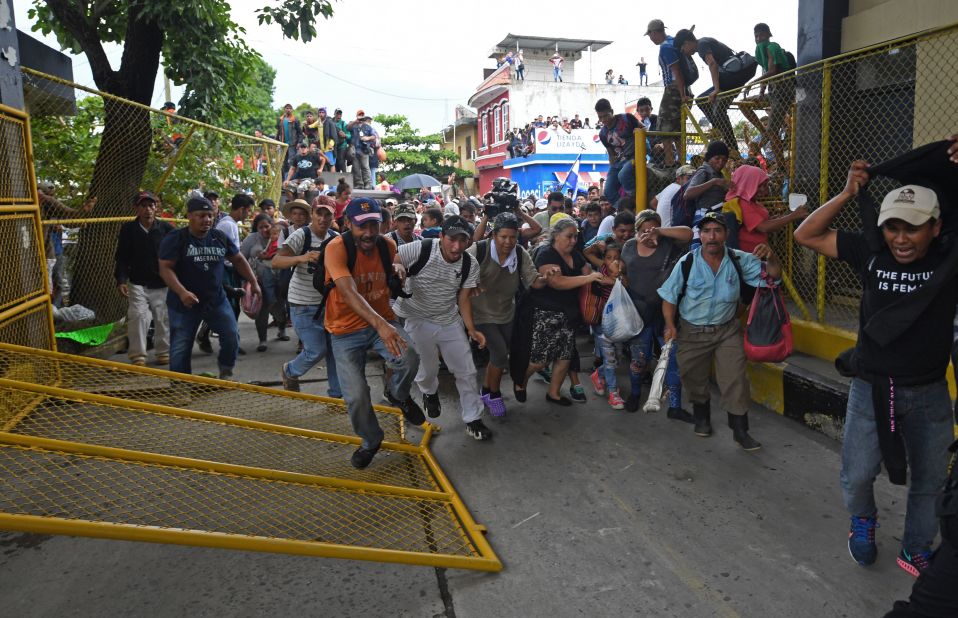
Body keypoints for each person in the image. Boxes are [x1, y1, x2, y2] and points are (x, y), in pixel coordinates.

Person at [794, 161, 957, 577]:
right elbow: (805, 234)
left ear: (936, 228)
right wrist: (848, 193)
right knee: (857, 474)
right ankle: (862, 521)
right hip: (871, 388)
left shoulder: (948, 262)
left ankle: (916, 547)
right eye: (892, 227)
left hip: (929, 393)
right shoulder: (870, 252)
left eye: (913, 228)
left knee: (930, 479)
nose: (901, 239)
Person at [658, 212, 779, 450]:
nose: (711, 236)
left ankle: (740, 430)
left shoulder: (738, 259)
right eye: (706, 231)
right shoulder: (688, 263)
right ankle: (702, 416)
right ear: (700, 236)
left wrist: (772, 256)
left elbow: (773, 277)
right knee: (693, 377)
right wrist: (670, 325)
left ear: (726, 235)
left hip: (727, 331)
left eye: (717, 231)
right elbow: (669, 298)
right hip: (692, 332)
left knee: (735, 379)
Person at [324, 198, 425, 469]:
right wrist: (381, 324)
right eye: (361, 226)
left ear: (383, 225)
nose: (368, 233)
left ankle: (398, 395)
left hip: (382, 321)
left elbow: (395, 263)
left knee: (411, 358)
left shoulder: (387, 245)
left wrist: (399, 268)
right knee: (356, 395)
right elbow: (348, 292)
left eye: (374, 225)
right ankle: (370, 440)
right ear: (347, 224)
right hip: (344, 331)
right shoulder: (336, 248)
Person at [394, 216, 493, 440]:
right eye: (451, 239)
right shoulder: (420, 249)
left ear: (469, 241)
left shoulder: (470, 264)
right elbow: (396, 257)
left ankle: (473, 418)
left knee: (466, 371)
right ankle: (429, 392)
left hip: (448, 320)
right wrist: (398, 265)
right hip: (415, 318)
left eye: (462, 240)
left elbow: (464, 299)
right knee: (427, 369)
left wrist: (471, 329)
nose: (456, 246)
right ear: (441, 236)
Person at [158, 197, 260, 380]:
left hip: (216, 299)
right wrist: (182, 292)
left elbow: (238, 259)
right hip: (184, 303)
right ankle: (180, 384)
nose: (207, 220)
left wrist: (253, 282)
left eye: (210, 216)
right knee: (181, 344)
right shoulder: (176, 238)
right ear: (189, 216)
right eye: (201, 216)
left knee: (231, 335)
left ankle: (226, 371)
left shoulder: (218, 237)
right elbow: (165, 267)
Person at [467, 213, 556, 417]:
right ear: (493, 235)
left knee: (505, 355)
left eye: (512, 237)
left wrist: (547, 277)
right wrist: (470, 285)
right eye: (503, 237)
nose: (508, 242)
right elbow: (457, 272)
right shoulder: (478, 250)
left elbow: (534, 281)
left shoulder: (520, 252)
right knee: (499, 354)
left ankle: (486, 390)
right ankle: (495, 394)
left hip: (507, 312)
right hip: (480, 314)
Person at [617, 210, 693, 414]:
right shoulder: (629, 246)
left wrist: (658, 231)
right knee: (638, 359)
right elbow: (622, 270)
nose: (648, 235)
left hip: (665, 311)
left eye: (652, 230)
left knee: (671, 360)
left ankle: (675, 407)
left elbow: (688, 234)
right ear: (637, 230)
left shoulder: (669, 245)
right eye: (643, 230)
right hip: (638, 312)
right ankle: (634, 394)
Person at [522, 217, 604, 405]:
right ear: (556, 235)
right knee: (540, 360)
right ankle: (521, 380)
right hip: (546, 313)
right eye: (569, 236)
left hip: (568, 313)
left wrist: (603, 279)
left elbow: (586, 271)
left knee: (565, 356)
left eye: (575, 237)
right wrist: (589, 278)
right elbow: (556, 282)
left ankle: (554, 393)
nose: (573, 241)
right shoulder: (546, 253)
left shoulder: (574, 254)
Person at [273, 200, 343, 397]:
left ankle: (337, 395)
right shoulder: (300, 235)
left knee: (334, 351)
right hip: (302, 304)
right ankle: (290, 371)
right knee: (316, 350)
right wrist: (301, 258)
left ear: (333, 217)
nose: (322, 219)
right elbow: (277, 262)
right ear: (312, 214)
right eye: (318, 213)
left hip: (328, 305)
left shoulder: (336, 238)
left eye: (327, 214)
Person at [114, 191, 174, 366]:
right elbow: (122, 257)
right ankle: (138, 355)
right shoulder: (128, 230)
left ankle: (163, 352)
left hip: (162, 282)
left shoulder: (166, 229)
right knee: (138, 316)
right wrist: (121, 279)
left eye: (151, 205)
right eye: (144, 206)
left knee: (163, 317)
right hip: (137, 282)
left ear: (156, 208)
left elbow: (179, 251)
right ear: (136, 209)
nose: (148, 209)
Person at [674, 29, 756, 156]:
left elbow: (712, 63)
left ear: (686, 43)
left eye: (682, 49)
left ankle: (726, 139)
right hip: (736, 74)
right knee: (719, 109)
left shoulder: (701, 45)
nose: (684, 53)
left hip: (733, 75)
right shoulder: (705, 41)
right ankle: (726, 138)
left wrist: (717, 89)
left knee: (702, 101)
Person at [726, 164, 808, 252]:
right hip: (751, 256)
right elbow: (763, 227)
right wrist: (792, 216)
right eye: (759, 186)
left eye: (765, 186)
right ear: (748, 184)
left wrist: (774, 219)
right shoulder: (742, 203)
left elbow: (761, 223)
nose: (764, 190)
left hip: (759, 251)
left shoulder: (752, 202)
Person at [745, 23, 796, 165]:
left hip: (783, 92)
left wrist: (752, 83)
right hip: (772, 94)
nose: (759, 38)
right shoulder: (759, 51)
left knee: (774, 132)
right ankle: (764, 131)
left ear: (769, 35)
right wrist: (761, 92)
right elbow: (766, 71)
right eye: (756, 36)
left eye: (761, 35)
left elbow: (772, 71)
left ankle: (780, 167)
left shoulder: (772, 47)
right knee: (744, 104)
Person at [239, 213, 287, 351]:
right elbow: (241, 258)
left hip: (279, 279)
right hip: (258, 281)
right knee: (262, 310)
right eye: (260, 227)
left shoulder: (282, 236)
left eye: (267, 226)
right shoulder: (251, 239)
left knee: (279, 306)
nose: (264, 230)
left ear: (272, 225)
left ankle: (282, 329)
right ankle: (262, 340)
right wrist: (247, 279)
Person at [646, 19, 687, 167]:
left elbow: (676, 72)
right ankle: (681, 160)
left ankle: (669, 160)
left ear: (655, 32)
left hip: (674, 88)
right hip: (681, 88)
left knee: (663, 124)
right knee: (677, 127)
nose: (651, 39)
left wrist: (682, 95)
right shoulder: (674, 42)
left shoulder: (666, 47)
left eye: (650, 35)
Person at [594, 98, 640, 205]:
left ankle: (636, 202)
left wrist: (638, 132)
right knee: (608, 191)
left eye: (605, 115)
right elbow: (611, 154)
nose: (603, 119)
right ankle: (624, 208)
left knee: (623, 175)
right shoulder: (602, 133)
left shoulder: (626, 118)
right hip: (619, 161)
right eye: (600, 117)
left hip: (634, 156)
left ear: (612, 111)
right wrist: (612, 168)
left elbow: (643, 128)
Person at [347, 111, 375, 190]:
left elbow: (374, 136)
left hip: (364, 150)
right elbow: (347, 128)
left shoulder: (367, 126)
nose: (361, 116)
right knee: (356, 168)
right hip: (355, 150)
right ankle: (359, 184)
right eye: (359, 115)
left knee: (365, 167)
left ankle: (368, 184)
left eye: (362, 115)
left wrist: (367, 138)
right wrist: (355, 121)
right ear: (357, 115)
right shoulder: (353, 124)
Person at [275, 103, 303, 179]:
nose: (288, 110)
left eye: (290, 108)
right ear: (284, 109)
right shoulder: (281, 119)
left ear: (292, 110)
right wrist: (276, 141)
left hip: (292, 145)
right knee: (283, 162)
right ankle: (284, 180)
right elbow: (278, 132)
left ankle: (290, 179)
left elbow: (300, 133)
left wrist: (299, 142)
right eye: (287, 108)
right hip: (283, 145)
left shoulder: (295, 120)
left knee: (291, 162)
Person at [333, 108, 350, 173]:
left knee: (341, 162)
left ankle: (345, 177)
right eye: (337, 113)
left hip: (342, 145)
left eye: (340, 114)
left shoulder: (343, 123)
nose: (339, 115)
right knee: (335, 163)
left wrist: (345, 135)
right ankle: (337, 180)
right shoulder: (330, 122)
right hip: (333, 146)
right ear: (334, 114)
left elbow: (349, 135)